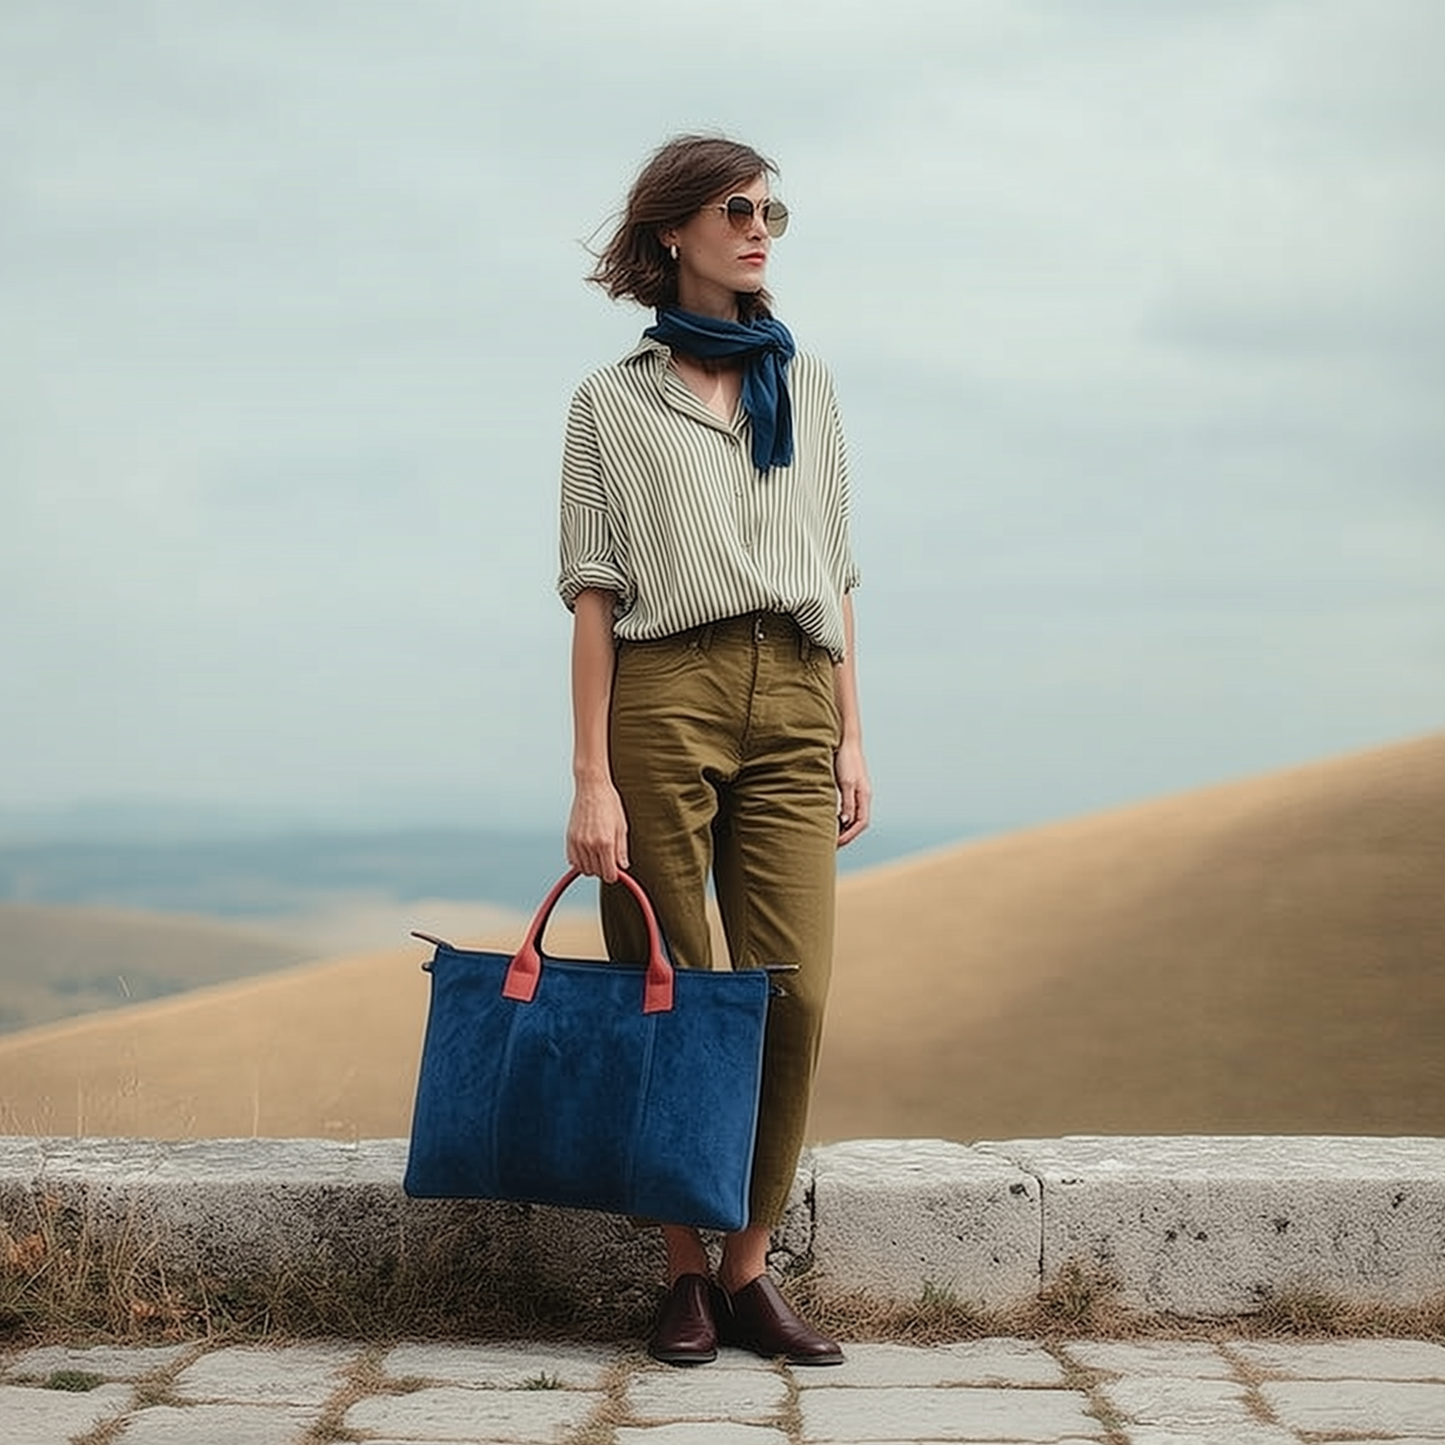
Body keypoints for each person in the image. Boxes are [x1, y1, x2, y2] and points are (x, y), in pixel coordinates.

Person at [557, 134, 870, 1367]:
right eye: (736, 208)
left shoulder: (810, 385)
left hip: (795, 690)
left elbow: (838, 574)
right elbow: (591, 593)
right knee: (669, 987)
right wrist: (589, 775)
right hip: (663, 686)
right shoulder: (607, 403)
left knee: (789, 993)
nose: (759, 229)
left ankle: (748, 1267)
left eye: (771, 210)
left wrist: (851, 730)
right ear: (674, 232)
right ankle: (682, 1268)